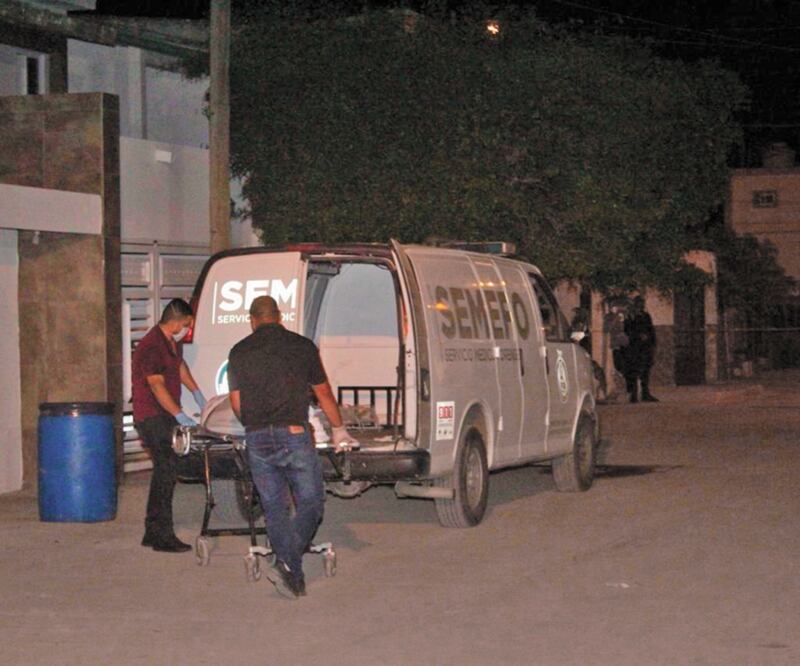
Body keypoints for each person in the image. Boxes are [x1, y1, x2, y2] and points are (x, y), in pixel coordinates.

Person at [227, 295, 357, 600]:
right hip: (294, 433)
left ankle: (291, 572)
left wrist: (255, 423)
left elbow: (236, 401)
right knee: (311, 500)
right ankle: (288, 561)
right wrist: (338, 428)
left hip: (257, 437)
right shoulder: (302, 346)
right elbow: (322, 391)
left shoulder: (239, 351)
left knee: (274, 507)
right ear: (279, 316)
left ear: (252, 319)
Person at [132, 299, 206, 553]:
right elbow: (156, 385)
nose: (188, 328)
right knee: (166, 470)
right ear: (176, 321)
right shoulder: (151, 346)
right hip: (152, 416)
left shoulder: (171, 343)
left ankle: (153, 531)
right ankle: (161, 535)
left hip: (164, 415)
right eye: (186, 324)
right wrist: (179, 413)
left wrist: (196, 391)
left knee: (165, 471)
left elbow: (180, 366)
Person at [623, 295, 659, 403]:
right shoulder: (630, 317)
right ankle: (633, 395)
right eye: (640, 303)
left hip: (646, 347)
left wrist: (652, 343)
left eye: (642, 303)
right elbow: (627, 331)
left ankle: (645, 393)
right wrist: (638, 336)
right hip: (635, 348)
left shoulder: (646, 315)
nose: (642, 305)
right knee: (634, 371)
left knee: (645, 371)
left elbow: (651, 330)